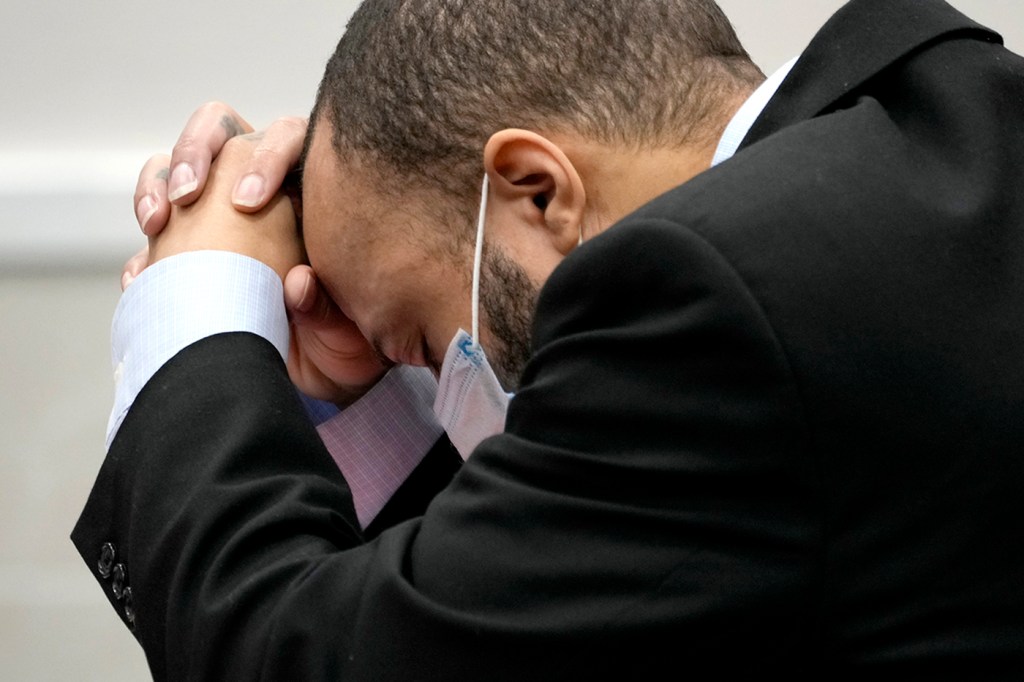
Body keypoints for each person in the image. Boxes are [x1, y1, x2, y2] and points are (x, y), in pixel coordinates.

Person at [73, 0, 1024, 677]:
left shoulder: (710, 303)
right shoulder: (952, 107)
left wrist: (199, 305)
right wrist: (367, 386)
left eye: (423, 347)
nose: (447, 380)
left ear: (537, 189)